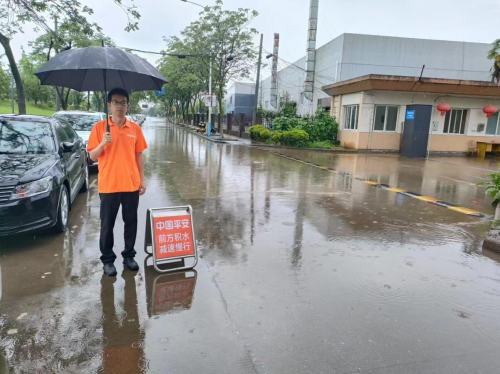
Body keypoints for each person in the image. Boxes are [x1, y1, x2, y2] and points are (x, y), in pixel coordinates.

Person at [87, 88, 147, 276]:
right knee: (107, 225)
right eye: (116, 102)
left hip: (130, 184)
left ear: (128, 106)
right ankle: (107, 260)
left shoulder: (135, 128)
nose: (119, 106)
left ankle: (129, 256)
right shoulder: (99, 128)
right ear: (109, 105)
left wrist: (141, 180)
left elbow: (139, 155)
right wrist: (103, 143)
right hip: (109, 185)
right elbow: (92, 157)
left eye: (123, 103)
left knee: (131, 222)